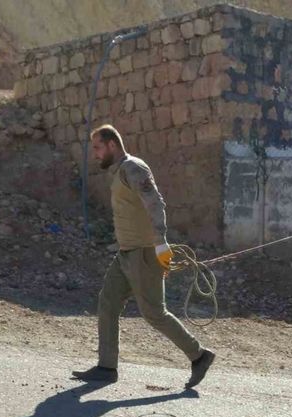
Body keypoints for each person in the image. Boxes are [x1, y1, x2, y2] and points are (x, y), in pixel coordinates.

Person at [71, 125, 215, 388]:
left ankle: (199, 355)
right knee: (108, 302)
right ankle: (106, 367)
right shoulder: (119, 172)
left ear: (112, 145)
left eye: (98, 147)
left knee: (154, 313)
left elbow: (155, 203)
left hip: (145, 254)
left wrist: (160, 243)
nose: (95, 154)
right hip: (126, 254)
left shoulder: (133, 168)